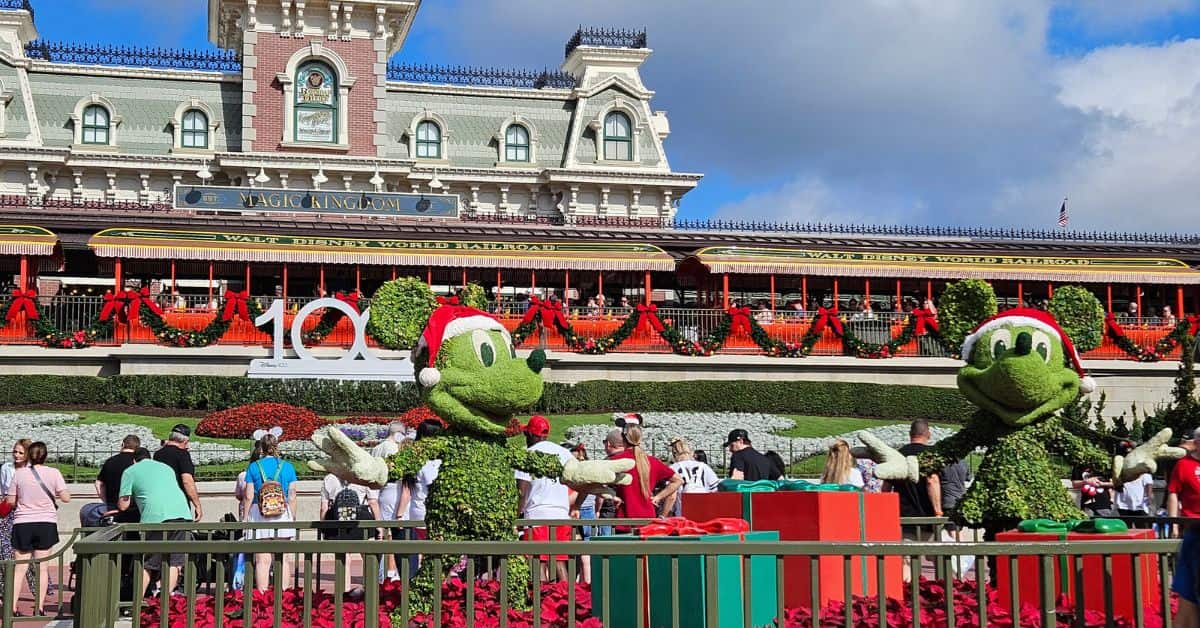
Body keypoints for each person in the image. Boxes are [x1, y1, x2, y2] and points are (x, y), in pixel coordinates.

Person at [4, 442, 70, 617]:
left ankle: (11, 607)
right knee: (42, 567)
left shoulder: (19, 474)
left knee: (20, 568)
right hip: (46, 522)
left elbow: (10, 501)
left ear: (28, 455)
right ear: (45, 455)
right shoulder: (54, 473)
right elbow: (65, 498)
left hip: (23, 522)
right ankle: (39, 607)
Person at [118, 447, 192, 597]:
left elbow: (123, 505)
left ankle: (137, 601)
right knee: (174, 560)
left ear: (134, 460)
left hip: (155, 516)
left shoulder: (130, 471)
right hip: (181, 513)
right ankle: (166, 600)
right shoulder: (166, 467)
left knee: (148, 562)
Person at [515, 416, 574, 582]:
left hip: (537, 514)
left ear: (531, 435)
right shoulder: (564, 453)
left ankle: (539, 600)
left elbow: (522, 489)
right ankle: (568, 600)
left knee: (537, 562)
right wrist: (577, 505)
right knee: (559, 561)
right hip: (561, 514)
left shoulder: (528, 454)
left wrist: (516, 514)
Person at [883, 420, 941, 582]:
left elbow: (886, 487)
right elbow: (932, 481)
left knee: (906, 562)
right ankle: (942, 596)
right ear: (928, 434)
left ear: (910, 434)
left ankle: (907, 598)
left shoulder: (898, 455)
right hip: (929, 518)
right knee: (941, 561)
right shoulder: (930, 455)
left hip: (904, 517)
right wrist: (938, 511)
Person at [243, 433, 298, 591]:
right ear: (276, 446)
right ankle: (284, 595)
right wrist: (292, 516)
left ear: (261, 447)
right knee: (283, 558)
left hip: (259, 512)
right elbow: (293, 494)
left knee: (262, 559)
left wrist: (245, 517)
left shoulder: (254, 467)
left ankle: (262, 595)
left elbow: (248, 495)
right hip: (282, 512)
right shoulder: (287, 466)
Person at [320, 471, 380, 597]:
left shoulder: (329, 478)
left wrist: (323, 526)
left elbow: (324, 506)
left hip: (337, 520)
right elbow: (372, 502)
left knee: (343, 558)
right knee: (367, 556)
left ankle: (343, 591)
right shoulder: (363, 476)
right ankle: (369, 590)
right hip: (361, 519)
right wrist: (379, 525)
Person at [609, 426, 682, 528]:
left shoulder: (616, 461)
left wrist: (612, 496)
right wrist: (658, 497)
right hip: (648, 517)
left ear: (623, 439)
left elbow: (595, 481)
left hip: (625, 518)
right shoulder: (652, 461)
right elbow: (678, 480)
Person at [371, 422, 410, 581]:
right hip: (393, 491)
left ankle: (381, 573)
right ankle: (391, 571)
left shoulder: (376, 448)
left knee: (381, 532)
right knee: (394, 533)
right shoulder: (394, 448)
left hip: (380, 491)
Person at [0, 439, 35, 599]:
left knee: (27, 552)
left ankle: (38, 588)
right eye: (15, 451)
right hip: (8, 511)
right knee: (5, 550)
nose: (17, 455)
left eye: (21, 452)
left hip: (25, 512)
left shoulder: (31, 469)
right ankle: (4, 589)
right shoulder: (7, 467)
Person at [153, 424, 202, 522]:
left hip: (160, 503)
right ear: (185, 441)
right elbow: (187, 481)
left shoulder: (157, 454)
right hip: (178, 504)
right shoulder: (182, 454)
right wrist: (197, 505)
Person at [666, 437, 719, 516]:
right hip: (704, 511)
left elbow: (671, 495)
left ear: (674, 454)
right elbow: (716, 489)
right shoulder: (704, 466)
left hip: (682, 513)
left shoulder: (673, 468)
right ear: (690, 452)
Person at [96, 435, 142, 524]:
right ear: (138, 448)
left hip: (112, 507)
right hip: (133, 509)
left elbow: (99, 483)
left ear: (122, 444)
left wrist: (106, 501)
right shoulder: (136, 462)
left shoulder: (110, 461)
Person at [1167, 428, 1200, 535]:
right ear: (1196, 443)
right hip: (1192, 524)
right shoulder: (1183, 464)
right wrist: (1174, 525)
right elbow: (1173, 493)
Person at [1115, 442, 1154, 525]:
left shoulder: (1143, 471)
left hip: (1140, 505)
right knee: (1126, 529)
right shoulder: (1120, 469)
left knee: (1141, 529)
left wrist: (1150, 503)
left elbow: (1149, 490)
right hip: (1123, 505)